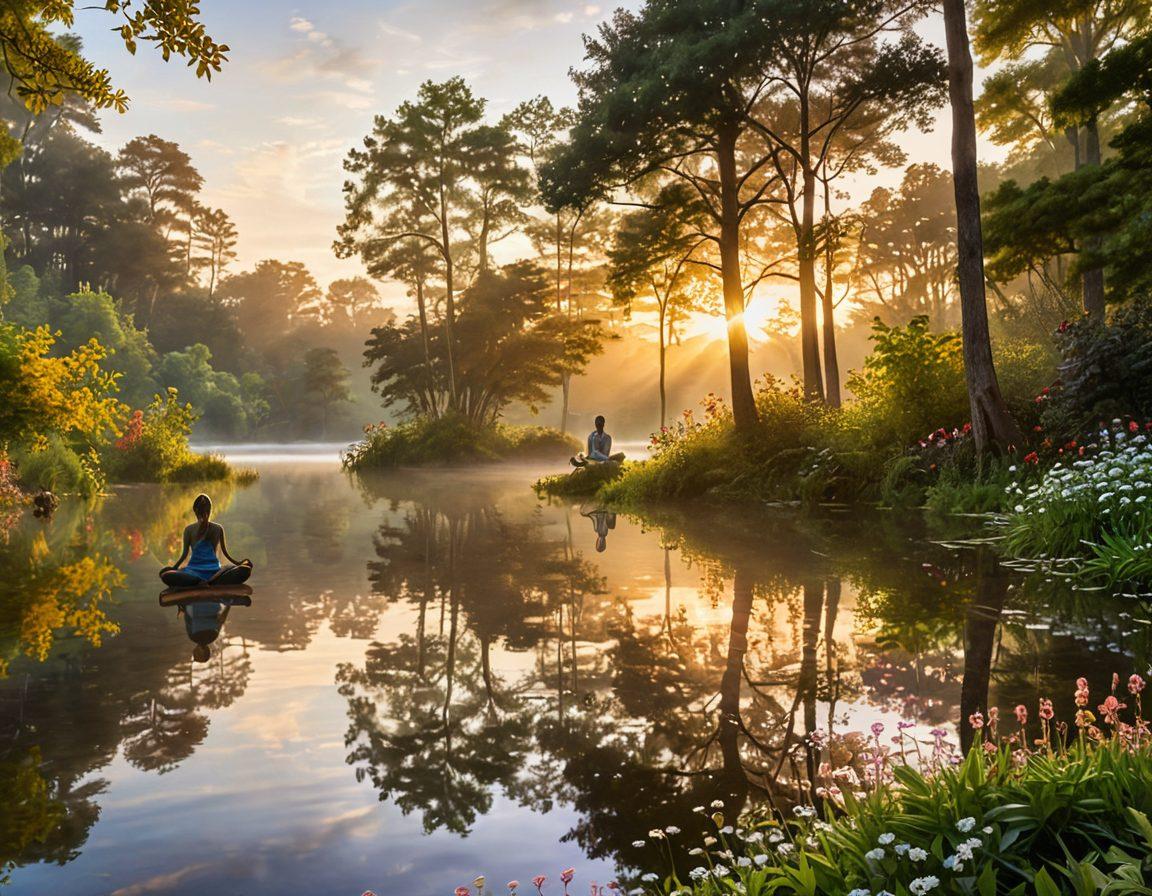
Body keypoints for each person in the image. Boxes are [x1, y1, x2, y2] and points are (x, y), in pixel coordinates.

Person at [160, 494, 253, 589]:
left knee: (245, 570)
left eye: (206, 511)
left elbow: (225, 554)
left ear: (209, 511)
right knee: (165, 574)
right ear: (196, 512)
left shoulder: (217, 528)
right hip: (194, 571)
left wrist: (239, 563)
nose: (204, 515)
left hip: (214, 571)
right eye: (201, 512)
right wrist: (174, 569)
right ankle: (205, 582)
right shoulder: (189, 530)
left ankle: (200, 582)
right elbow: (184, 555)